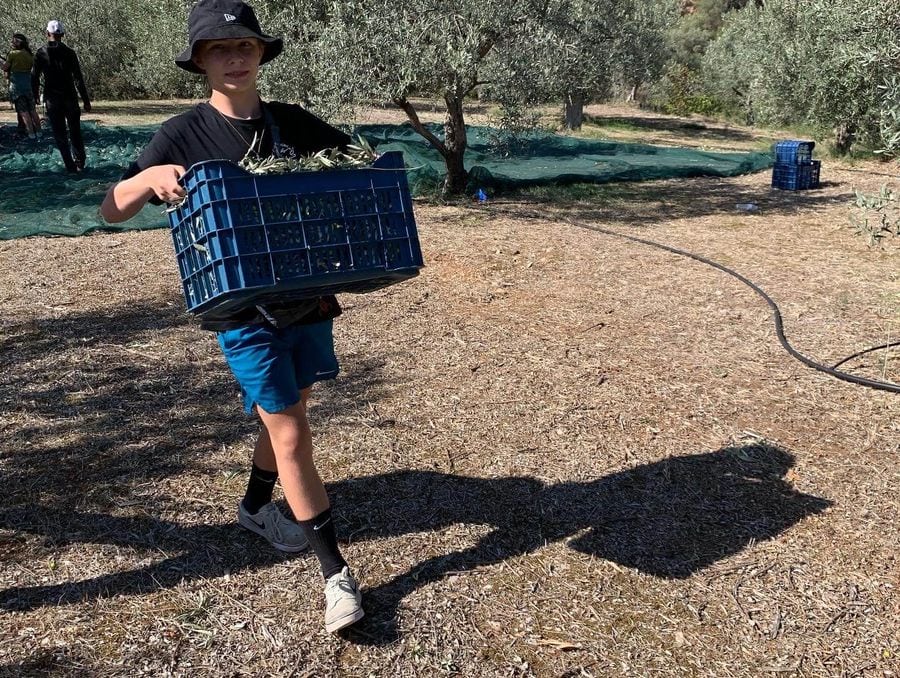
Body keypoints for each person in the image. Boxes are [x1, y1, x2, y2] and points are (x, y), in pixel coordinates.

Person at [99, 0, 364, 634]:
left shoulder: (293, 124)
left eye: (244, 45)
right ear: (200, 62)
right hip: (240, 310)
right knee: (293, 432)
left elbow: (357, 165)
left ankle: (252, 509)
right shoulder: (181, 134)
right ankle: (337, 578)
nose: (235, 56)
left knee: (284, 417)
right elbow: (111, 208)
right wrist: (150, 178)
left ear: (261, 54)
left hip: (307, 298)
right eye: (219, 49)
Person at [31, 20, 91, 172]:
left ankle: (69, 165)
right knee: (75, 131)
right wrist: (85, 100)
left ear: (47, 33)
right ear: (62, 35)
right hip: (70, 96)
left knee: (60, 134)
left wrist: (35, 94)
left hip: (52, 98)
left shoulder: (41, 53)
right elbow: (78, 78)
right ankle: (80, 162)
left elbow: (35, 76)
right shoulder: (70, 53)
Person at [2, 33, 41, 139]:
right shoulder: (29, 55)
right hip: (28, 85)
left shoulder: (12, 54)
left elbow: (5, 68)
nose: (12, 43)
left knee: (24, 112)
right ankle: (39, 132)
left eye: (14, 41)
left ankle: (31, 134)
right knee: (32, 110)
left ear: (18, 42)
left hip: (17, 87)